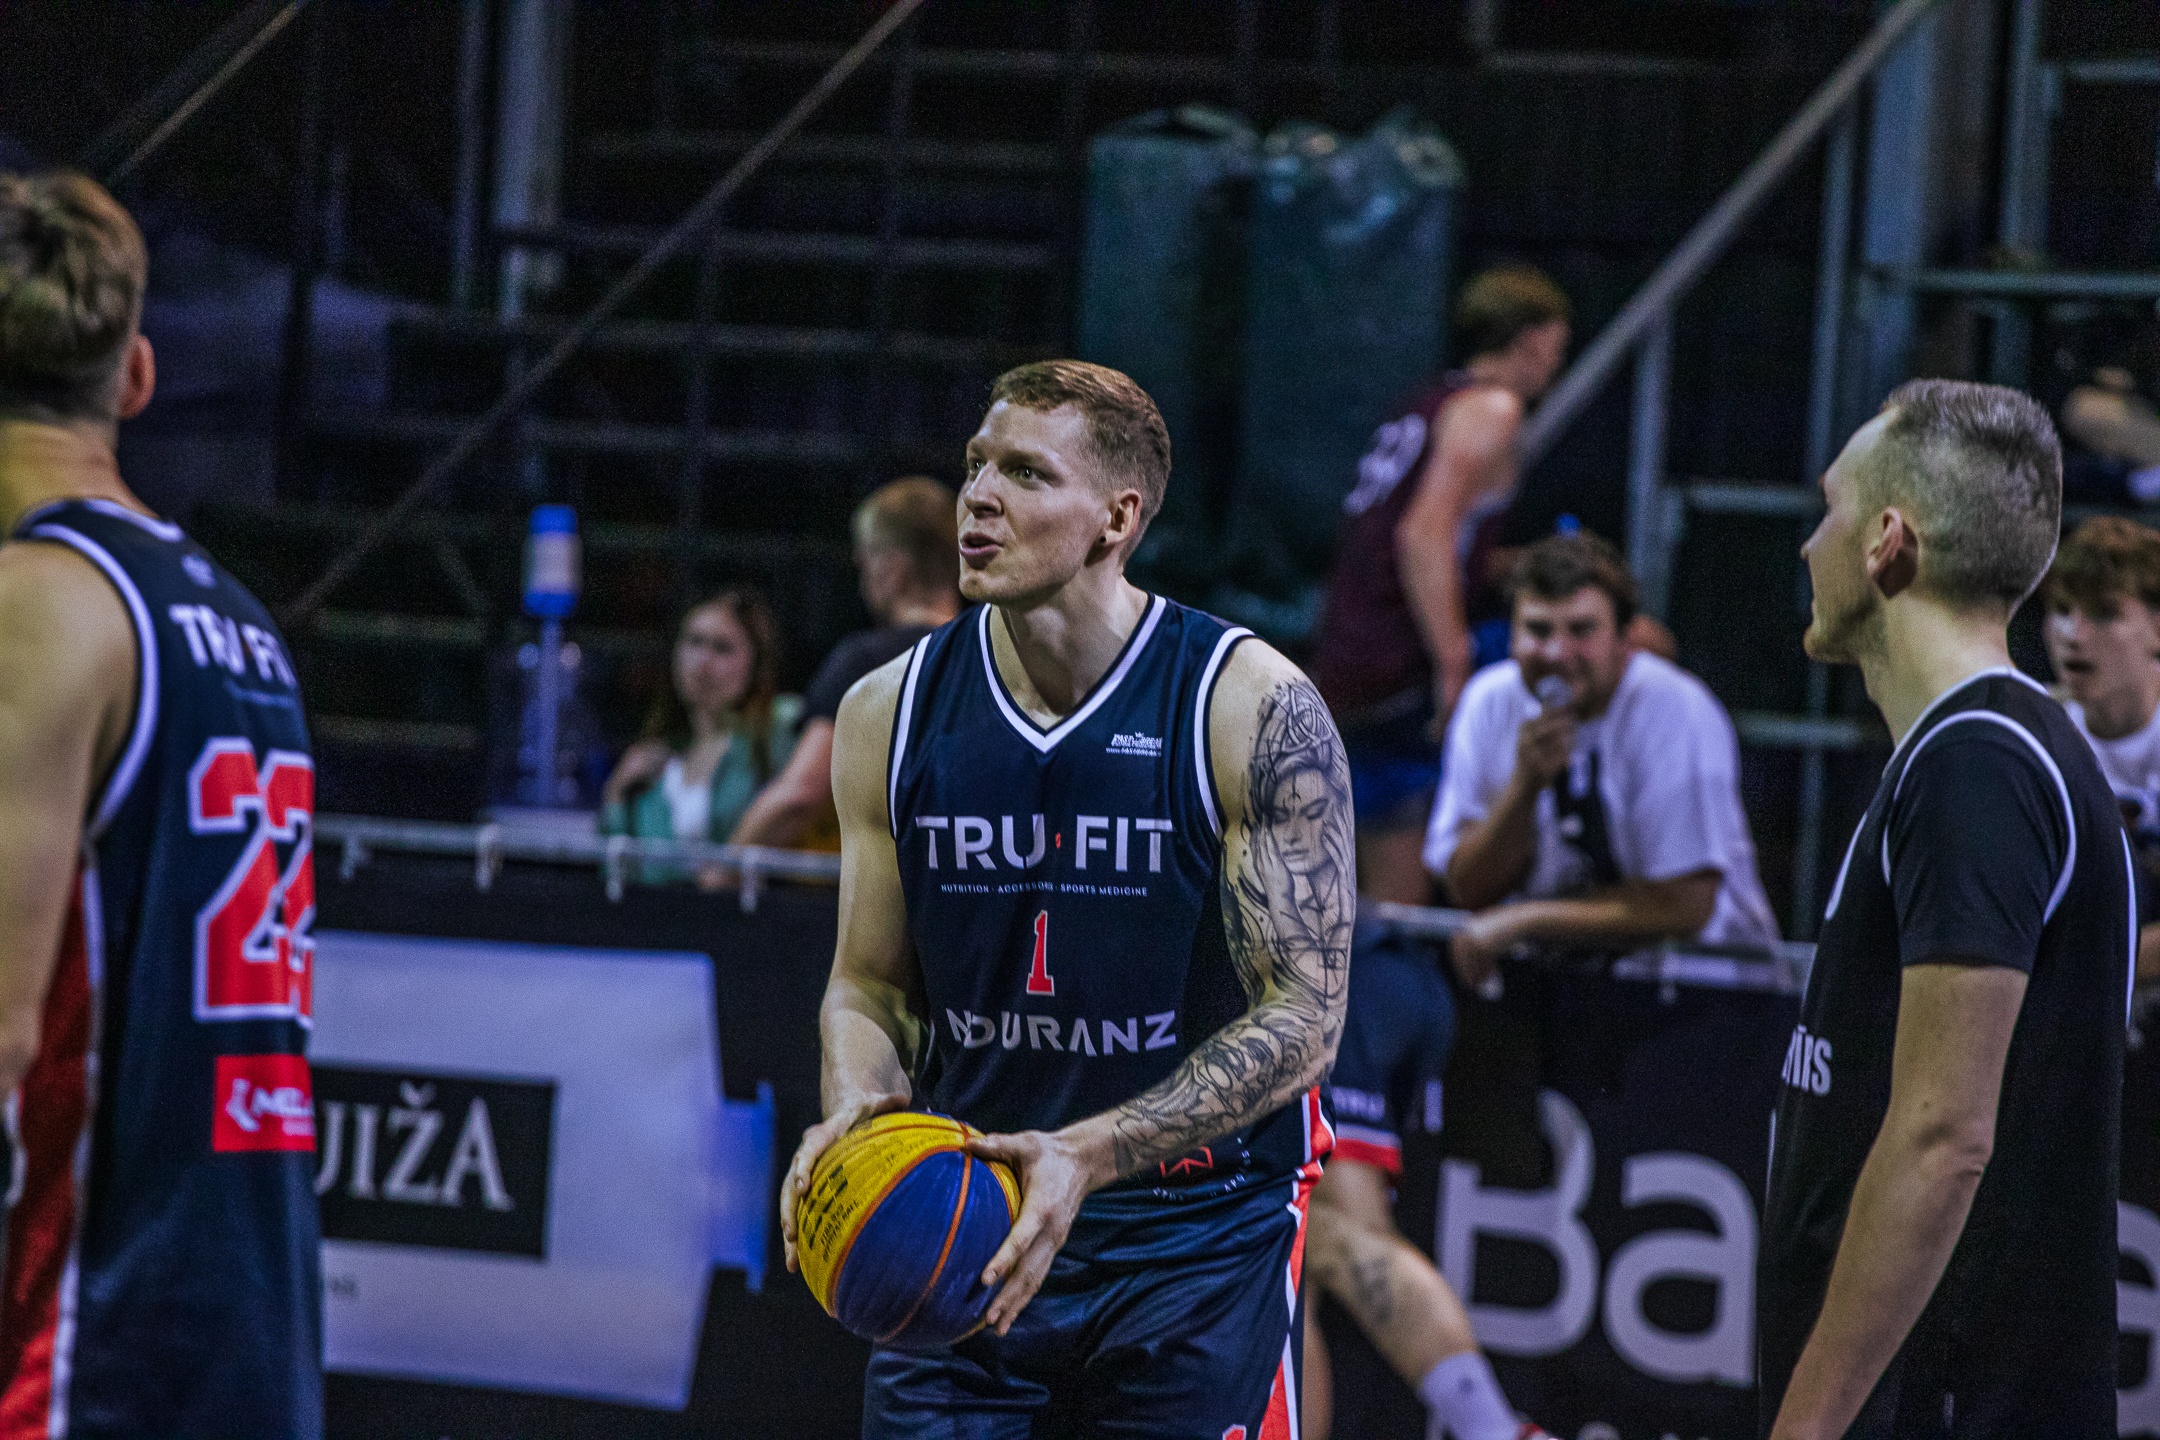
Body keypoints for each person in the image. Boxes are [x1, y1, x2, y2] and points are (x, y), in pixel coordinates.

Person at [777, 360, 1352, 1434]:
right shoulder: (886, 712)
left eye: (1027, 474)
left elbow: (1305, 1019)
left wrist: (1087, 1154)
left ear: (1116, 521)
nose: (979, 497)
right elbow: (868, 984)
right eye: (976, 465)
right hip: (974, 1227)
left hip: (1192, 1236)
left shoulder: (1248, 705)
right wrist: (859, 1107)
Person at [0, 173, 319, 1434]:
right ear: (134, 378)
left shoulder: (36, 604)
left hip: (84, 1349)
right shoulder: (239, 622)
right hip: (249, 1337)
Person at [1760, 380, 2131, 1440]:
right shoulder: (1981, 750)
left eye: (1831, 510)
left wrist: (1807, 1427)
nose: (1809, 546)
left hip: (1948, 1406)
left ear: (1887, 542)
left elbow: (1942, 1139)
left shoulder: (1979, 763)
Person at [1310, 265, 1571, 905]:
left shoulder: (1426, 403)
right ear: (1534, 342)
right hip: (1402, 661)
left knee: (1385, 894)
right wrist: (1453, 662)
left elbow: (1432, 537)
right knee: (1630, 645)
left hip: (1350, 654)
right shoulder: (1494, 408)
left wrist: (1511, 564)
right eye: (1554, 351)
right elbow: (1422, 535)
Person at [1429, 532, 1779, 985]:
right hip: (1560, 990)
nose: (1558, 654)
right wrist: (1525, 786)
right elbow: (1467, 888)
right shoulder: (1487, 702)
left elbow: (1687, 904)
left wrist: (1527, 920)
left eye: (1581, 630)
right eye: (1538, 630)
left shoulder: (1674, 707)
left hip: (1703, 989)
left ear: (1625, 638)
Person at [1302, 919, 1550, 1440]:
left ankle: (1494, 1430)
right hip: (1362, 977)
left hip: (1335, 981)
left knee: (1314, 1238)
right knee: (1294, 1271)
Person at [729, 476, 960, 851]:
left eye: (865, 562)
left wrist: (719, 871)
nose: (862, 579)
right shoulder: (996, 656)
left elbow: (799, 795)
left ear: (894, 570)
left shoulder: (866, 662)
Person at [600, 586, 800, 878]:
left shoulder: (779, 731)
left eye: (722, 648)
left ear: (756, 664)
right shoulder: (658, 755)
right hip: (658, 905)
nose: (703, 660)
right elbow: (618, 875)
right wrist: (617, 795)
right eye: (694, 642)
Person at [2041, 514, 2160, 982]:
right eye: (2062, 609)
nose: (2074, 634)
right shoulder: (2036, 731)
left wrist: (2083, 976)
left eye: (2104, 613)